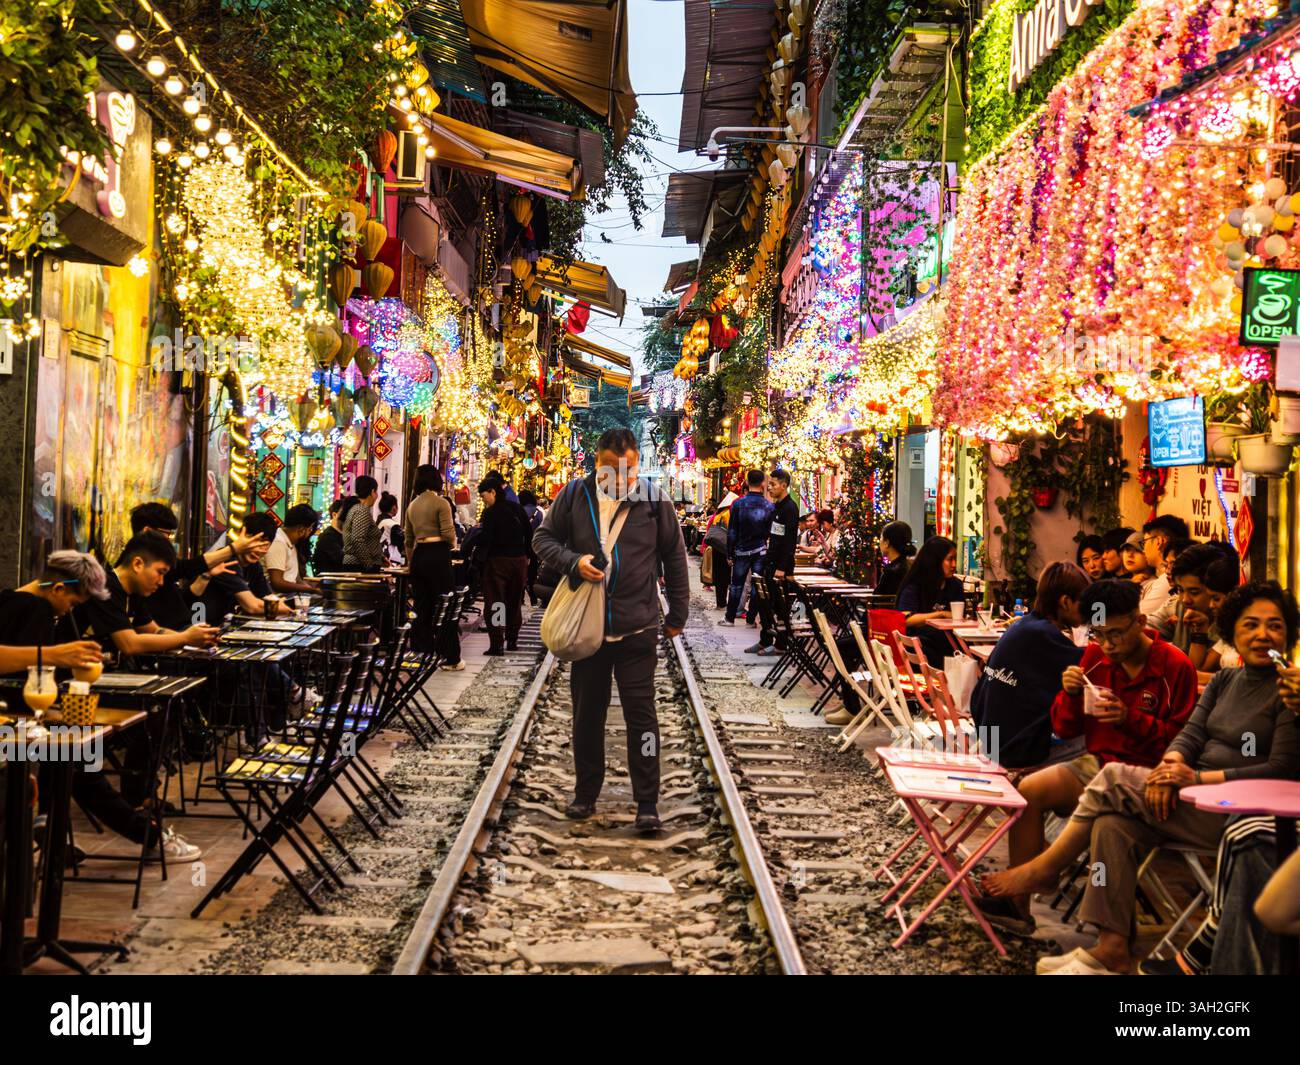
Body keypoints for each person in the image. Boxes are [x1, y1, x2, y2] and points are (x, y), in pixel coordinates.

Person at [984, 581, 1300, 975]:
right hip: (1156, 782)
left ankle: (1045, 869)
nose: (1261, 635)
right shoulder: (1222, 681)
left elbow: (1281, 769)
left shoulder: (1286, 692)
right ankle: (1111, 948)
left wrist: (1176, 766)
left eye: (1274, 626)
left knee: (1113, 780)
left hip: (1230, 807)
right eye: (1250, 625)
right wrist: (1172, 767)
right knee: (1110, 824)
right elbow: (1190, 736)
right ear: (1233, 631)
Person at [975, 578, 1197, 935]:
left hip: (1148, 776)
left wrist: (1130, 720)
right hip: (1097, 763)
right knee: (1027, 791)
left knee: (1101, 800)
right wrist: (1068, 695)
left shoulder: (1174, 666)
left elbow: (1182, 744)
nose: (1107, 645)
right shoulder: (1094, 657)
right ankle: (1019, 908)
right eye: (1098, 635)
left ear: (1139, 622)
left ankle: (1043, 873)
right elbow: (1063, 727)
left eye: (1116, 634)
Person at [532, 427, 689, 833]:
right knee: (587, 715)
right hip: (589, 628)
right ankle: (586, 793)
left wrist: (677, 615)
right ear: (595, 462)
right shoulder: (574, 496)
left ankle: (647, 803)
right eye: (610, 470)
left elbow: (674, 556)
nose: (620, 478)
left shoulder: (654, 501)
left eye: (629, 470)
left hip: (637, 627)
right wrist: (572, 561)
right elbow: (543, 539)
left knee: (642, 716)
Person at [970, 562, 1089, 770]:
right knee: (1102, 742)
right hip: (1016, 750)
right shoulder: (1043, 635)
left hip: (990, 741)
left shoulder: (1023, 625)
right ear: (1066, 602)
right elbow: (1092, 668)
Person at [128, 502, 270, 630]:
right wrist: (233, 549)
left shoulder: (159, 566)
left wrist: (205, 575)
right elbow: (188, 567)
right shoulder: (139, 570)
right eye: (167, 535)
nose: (159, 580)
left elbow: (184, 602)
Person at [0, 552, 107, 674]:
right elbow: (36, 675)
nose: (69, 611)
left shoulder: (8, 600)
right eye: (73, 604)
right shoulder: (38, 607)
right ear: (58, 589)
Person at [403, 464, 461, 668]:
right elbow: (448, 533)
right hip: (438, 555)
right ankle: (450, 657)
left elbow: (408, 540)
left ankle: (420, 652)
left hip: (419, 556)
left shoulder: (412, 505)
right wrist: (452, 545)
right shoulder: (441, 503)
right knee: (447, 604)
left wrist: (411, 563)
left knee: (421, 606)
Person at [477, 476, 531, 655]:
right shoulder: (517, 509)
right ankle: (512, 639)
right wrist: (528, 556)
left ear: (493, 492)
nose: (484, 501)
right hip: (519, 561)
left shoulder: (491, 513)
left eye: (484, 497)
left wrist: (478, 560)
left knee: (496, 602)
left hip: (498, 563)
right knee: (514, 601)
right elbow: (529, 533)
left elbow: (486, 539)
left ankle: (497, 643)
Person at [749, 468, 799, 656]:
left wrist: (782, 568)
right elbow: (775, 537)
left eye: (773, 484)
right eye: (768, 484)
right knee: (765, 605)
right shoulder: (777, 507)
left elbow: (789, 541)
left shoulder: (790, 508)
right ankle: (764, 640)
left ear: (784, 485)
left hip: (781, 568)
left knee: (781, 608)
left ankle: (780, 644)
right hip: (770, 563)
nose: (769, 488)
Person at [895, 535, 964, 666]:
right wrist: (940, 614)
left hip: (951, 642)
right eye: (950, 559)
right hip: (921, 645)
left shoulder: (955, 585)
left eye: (955, 559)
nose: (954, 565)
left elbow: (959, 618)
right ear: (935, 561)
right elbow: (906, 619)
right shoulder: (915, 585)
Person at [720, 470, 773, 626]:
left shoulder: (738, 504)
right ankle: (751, 619)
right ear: (763, 483)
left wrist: (729, 553)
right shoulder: (769, 506)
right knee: (757, 586)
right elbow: (770, 531)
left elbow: (732, 531)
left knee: (736, 585)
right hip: (761, 550)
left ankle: (730, 618)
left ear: (747, 483)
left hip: (741, 550)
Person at [1137, 514, 1189, 615]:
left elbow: (1139, 616)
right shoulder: (1159, 578)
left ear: (1159, 541)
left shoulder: (1167, 580)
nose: (1143, 550)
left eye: (1144, 543)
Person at [265, 503, 321, 596]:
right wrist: (310, 590)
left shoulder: (291, 543)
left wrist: (314, 587)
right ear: (301, 529)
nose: (309, 533)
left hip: (292, 595)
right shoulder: (278, 542)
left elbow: (297, 578)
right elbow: (277, 583)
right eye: (310, 529)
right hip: (279, 597)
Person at [342, 476, 383, 572]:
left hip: (357, 564)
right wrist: (369, 564)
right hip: (358, 566)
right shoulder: (362, 510)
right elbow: (357, 539)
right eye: (376, 492)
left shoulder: (356, 508)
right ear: (372, 492)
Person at [701, 491, 734, 610]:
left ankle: (720, 602)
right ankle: (722, 602)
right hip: (724, 548)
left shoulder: (718, 515)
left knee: (720, 577)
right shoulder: (728, 514)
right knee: (724, 577)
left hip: (716, 547)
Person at [313, 496, 356, 575]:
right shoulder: (327, 537)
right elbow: (344, 560)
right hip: (331, 582)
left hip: (345, 579)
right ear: (334, 515)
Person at [875, 520, 914, 598]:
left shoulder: (891, 571)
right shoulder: (911, 566)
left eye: (881, 538)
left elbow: (877, 599)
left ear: (887, 543)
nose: (879, 542)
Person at [519, 490, 544, 606]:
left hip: (521, 546)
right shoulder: (538, 512)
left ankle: (521, 599)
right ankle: (533, 598)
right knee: (532, 574)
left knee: (520, 575)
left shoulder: (519, 511)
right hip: (534, 546)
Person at [377, 492, 404, 567]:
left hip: (378, 559)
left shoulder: (378, 520)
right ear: (394, 508)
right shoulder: (392, 525)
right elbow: (403, 543)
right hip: (388, 561)